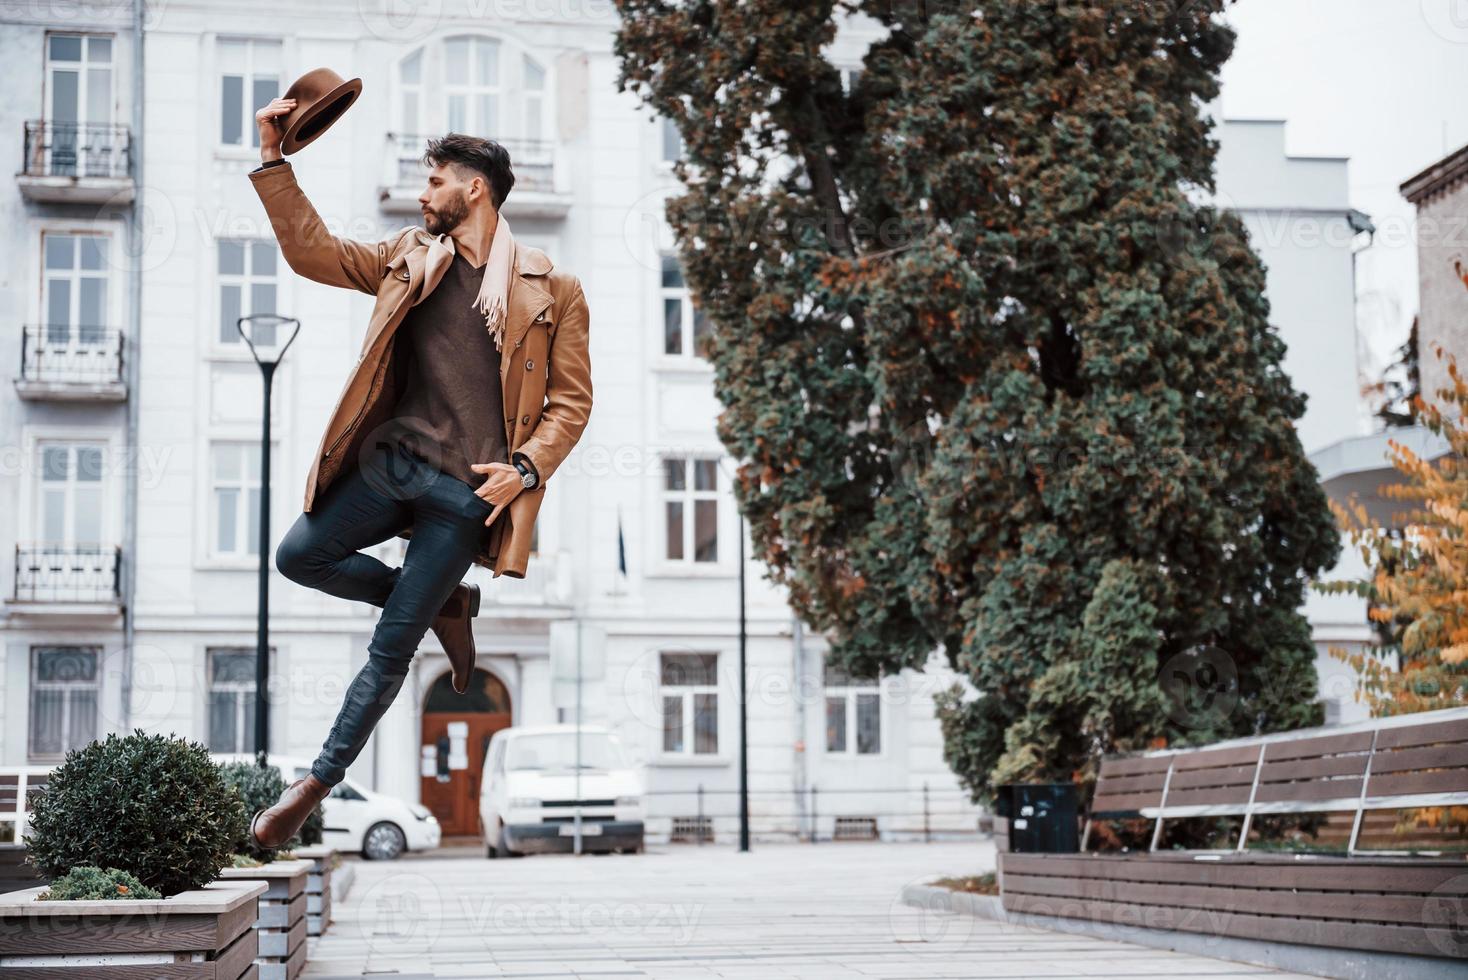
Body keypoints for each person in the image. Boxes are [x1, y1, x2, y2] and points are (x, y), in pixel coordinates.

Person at [245, 95, 592, 849]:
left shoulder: (552, 291)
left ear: (474, 189)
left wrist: (526, 471)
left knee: (390, 648)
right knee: (300, 556)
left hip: (467, 499)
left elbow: (571, 402)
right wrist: (276, 160)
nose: (422, 192)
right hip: (391, 464)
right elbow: (313, 252)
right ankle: (442, 606)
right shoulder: (409, 257)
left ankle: (310, 788)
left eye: (433, 179)